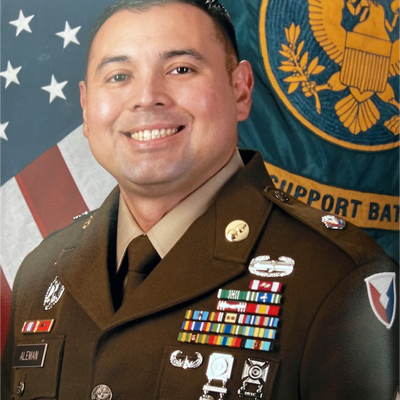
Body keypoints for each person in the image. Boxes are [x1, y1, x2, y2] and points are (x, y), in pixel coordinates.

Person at [2, 0, 398, 399]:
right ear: (87, 108)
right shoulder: (42, 275)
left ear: (240, 90)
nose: (147, 97)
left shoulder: (336, 277)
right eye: (119, 76)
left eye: (181, 69)